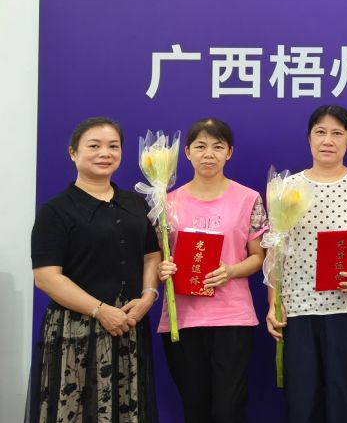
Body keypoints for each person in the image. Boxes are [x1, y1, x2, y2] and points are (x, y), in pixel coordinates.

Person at [28, 117, 161, 422]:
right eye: (94, 146)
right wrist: (100, 311)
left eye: (113, 146)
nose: (105, 153)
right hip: (76, 330)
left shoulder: (136, 204)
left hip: (128, 325)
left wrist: (148, 297)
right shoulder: (56, 211)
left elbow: (151, 256)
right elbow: (46, 278)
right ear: (73, 152)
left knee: (128, 409)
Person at [264, 105, 347, 423]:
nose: (328, 140)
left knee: (345, 400)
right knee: (302, 403)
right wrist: (273, 304)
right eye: (320, 132)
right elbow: (275, 250)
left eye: (337, 133)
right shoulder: (288, 187)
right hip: (299, 309)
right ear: (309, 138)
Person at [156, 118, 268, 423]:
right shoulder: (166, 203)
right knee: (195, 409)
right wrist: (162, 268)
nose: (209, 154)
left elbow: (258, 257)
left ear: (229, 152)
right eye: (200, 146)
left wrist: (230, 270)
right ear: (187, 152)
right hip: (182, 319)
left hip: (232, 317)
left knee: (228, 409)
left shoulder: (249, 198)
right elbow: (156, 259)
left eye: (218, 147)